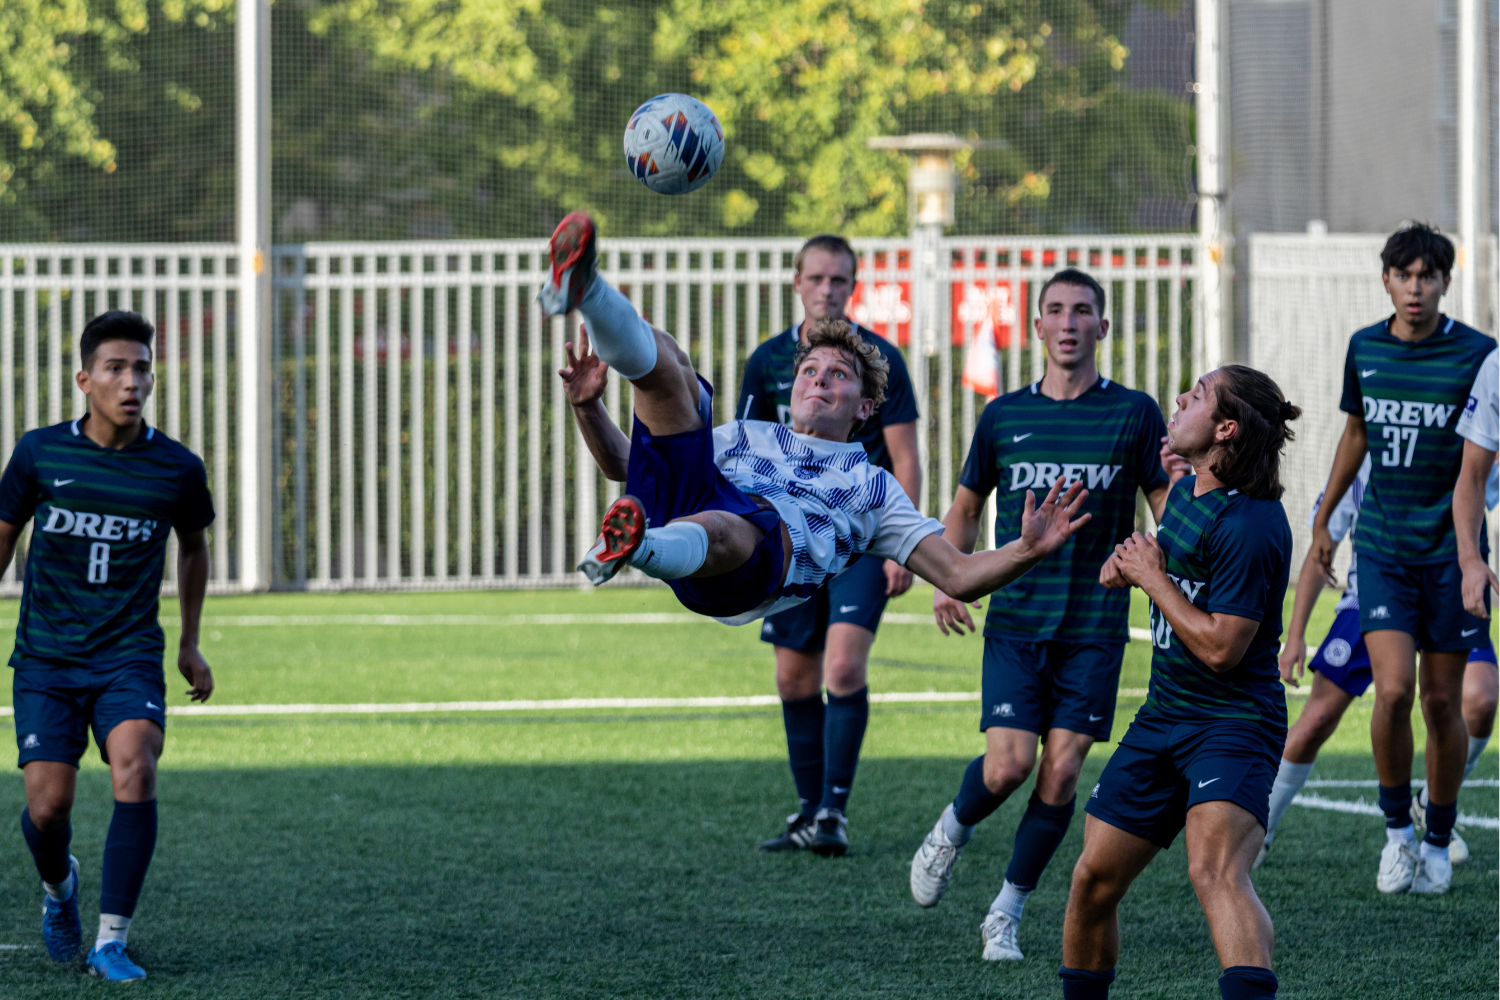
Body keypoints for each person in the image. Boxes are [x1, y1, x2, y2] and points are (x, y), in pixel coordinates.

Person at [540, 209, 1090, 638]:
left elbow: (958, 575)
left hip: (749, 569)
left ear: (864, 408)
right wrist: (588, 406)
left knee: (739, 524)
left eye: (839, 374)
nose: (818, 380)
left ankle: (637, 548)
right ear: (792, 385)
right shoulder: (747, 436)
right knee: (670, 362)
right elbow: (622, 465)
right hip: (688, 512)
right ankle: (585, 286)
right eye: (808, 370)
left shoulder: (872, 487)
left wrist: (1026, 550)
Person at [905, 268, 1178, 963]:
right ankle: (951, 828)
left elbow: (1164, 503)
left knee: (1059, 775)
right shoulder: (1004, 415)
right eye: (1054, 310)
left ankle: (1006, 912)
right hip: (1019, 621)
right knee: (1007, 767)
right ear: (1037, 327)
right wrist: (948, 574)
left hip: (1094, 627)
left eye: (1082, 311)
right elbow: (965, 507)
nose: (1067, 323)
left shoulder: (1135, 413)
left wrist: (1171, 566)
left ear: (1102, 328)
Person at [1059, 366, 1297, 1000]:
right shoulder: (1187, 491)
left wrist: (1150, 577)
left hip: (1233, 725)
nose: (1180, 399)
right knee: (1092, 881)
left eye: (1197, 395)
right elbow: (1164, 568)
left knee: (1214, 871)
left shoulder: (1252, 523)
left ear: (1225, 428)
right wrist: (1128, 564)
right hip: (1163, 717)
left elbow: (1222, 647)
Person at [2, 311, 215, 982]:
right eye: (117, 368)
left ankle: (111, 941)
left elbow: (195, 549)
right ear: (84, 379)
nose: (132, 381)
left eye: (143, 368)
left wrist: (189, 642)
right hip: (46, 657)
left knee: (136, 765)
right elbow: (3, 537)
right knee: (48, 806)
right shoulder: (40, 453)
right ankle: (59, 888)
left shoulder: (177, 468)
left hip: (126, 653)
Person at [1306, 223, 1494, 896]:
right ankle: (1396, 835)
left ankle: (1438, 838)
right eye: (1404, 275)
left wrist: (1472, 557)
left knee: (1444, 703)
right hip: (1382, 547)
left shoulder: (1478, 354)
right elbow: (1355, 432)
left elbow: (1475, 472)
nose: (1416, 288)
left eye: (1429, 276)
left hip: (1450, 554)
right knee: (1392, 691)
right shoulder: (1365, 348)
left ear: (1446, 282)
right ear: (1386, 278)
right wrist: (1327, 518)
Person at [736, 234, 922, 857]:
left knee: (842, 666)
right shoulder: (767, 361)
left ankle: (834, 814)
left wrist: (902, 547)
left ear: (852, 286)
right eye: (816, 278)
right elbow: (744, 448)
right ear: (797, 283)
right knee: (794, 680)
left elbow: (904, 456)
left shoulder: (878, 360)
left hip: (860, 537)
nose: (827, 289)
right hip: (788, 539)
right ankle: (808, 812)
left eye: (838, 280)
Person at [1263, 454, 1496, 868]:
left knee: (1479, 700)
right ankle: (1257, 829)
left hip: (1445, 594)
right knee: (1317, 719)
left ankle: (1428, 804)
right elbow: (1323, 547)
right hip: (1373, 599)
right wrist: (1295, 636)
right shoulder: (1364, 454)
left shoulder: (1465, 440)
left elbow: (1486, 484)